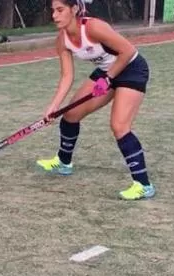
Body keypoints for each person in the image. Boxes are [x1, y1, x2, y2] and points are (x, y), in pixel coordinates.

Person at [35, 0, 155, 201]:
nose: (54, 15)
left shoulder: (93, 27)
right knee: (70, 115)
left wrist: (108, 79)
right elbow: (67, 76)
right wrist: (53, 107)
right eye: (53, 11)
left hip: (132, 69)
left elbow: (128, 51)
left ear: (74, 10)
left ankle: (143, 184)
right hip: (106, 72)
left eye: (60, 10)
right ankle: (64, 162)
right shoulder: (62, 40)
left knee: (119, 126)